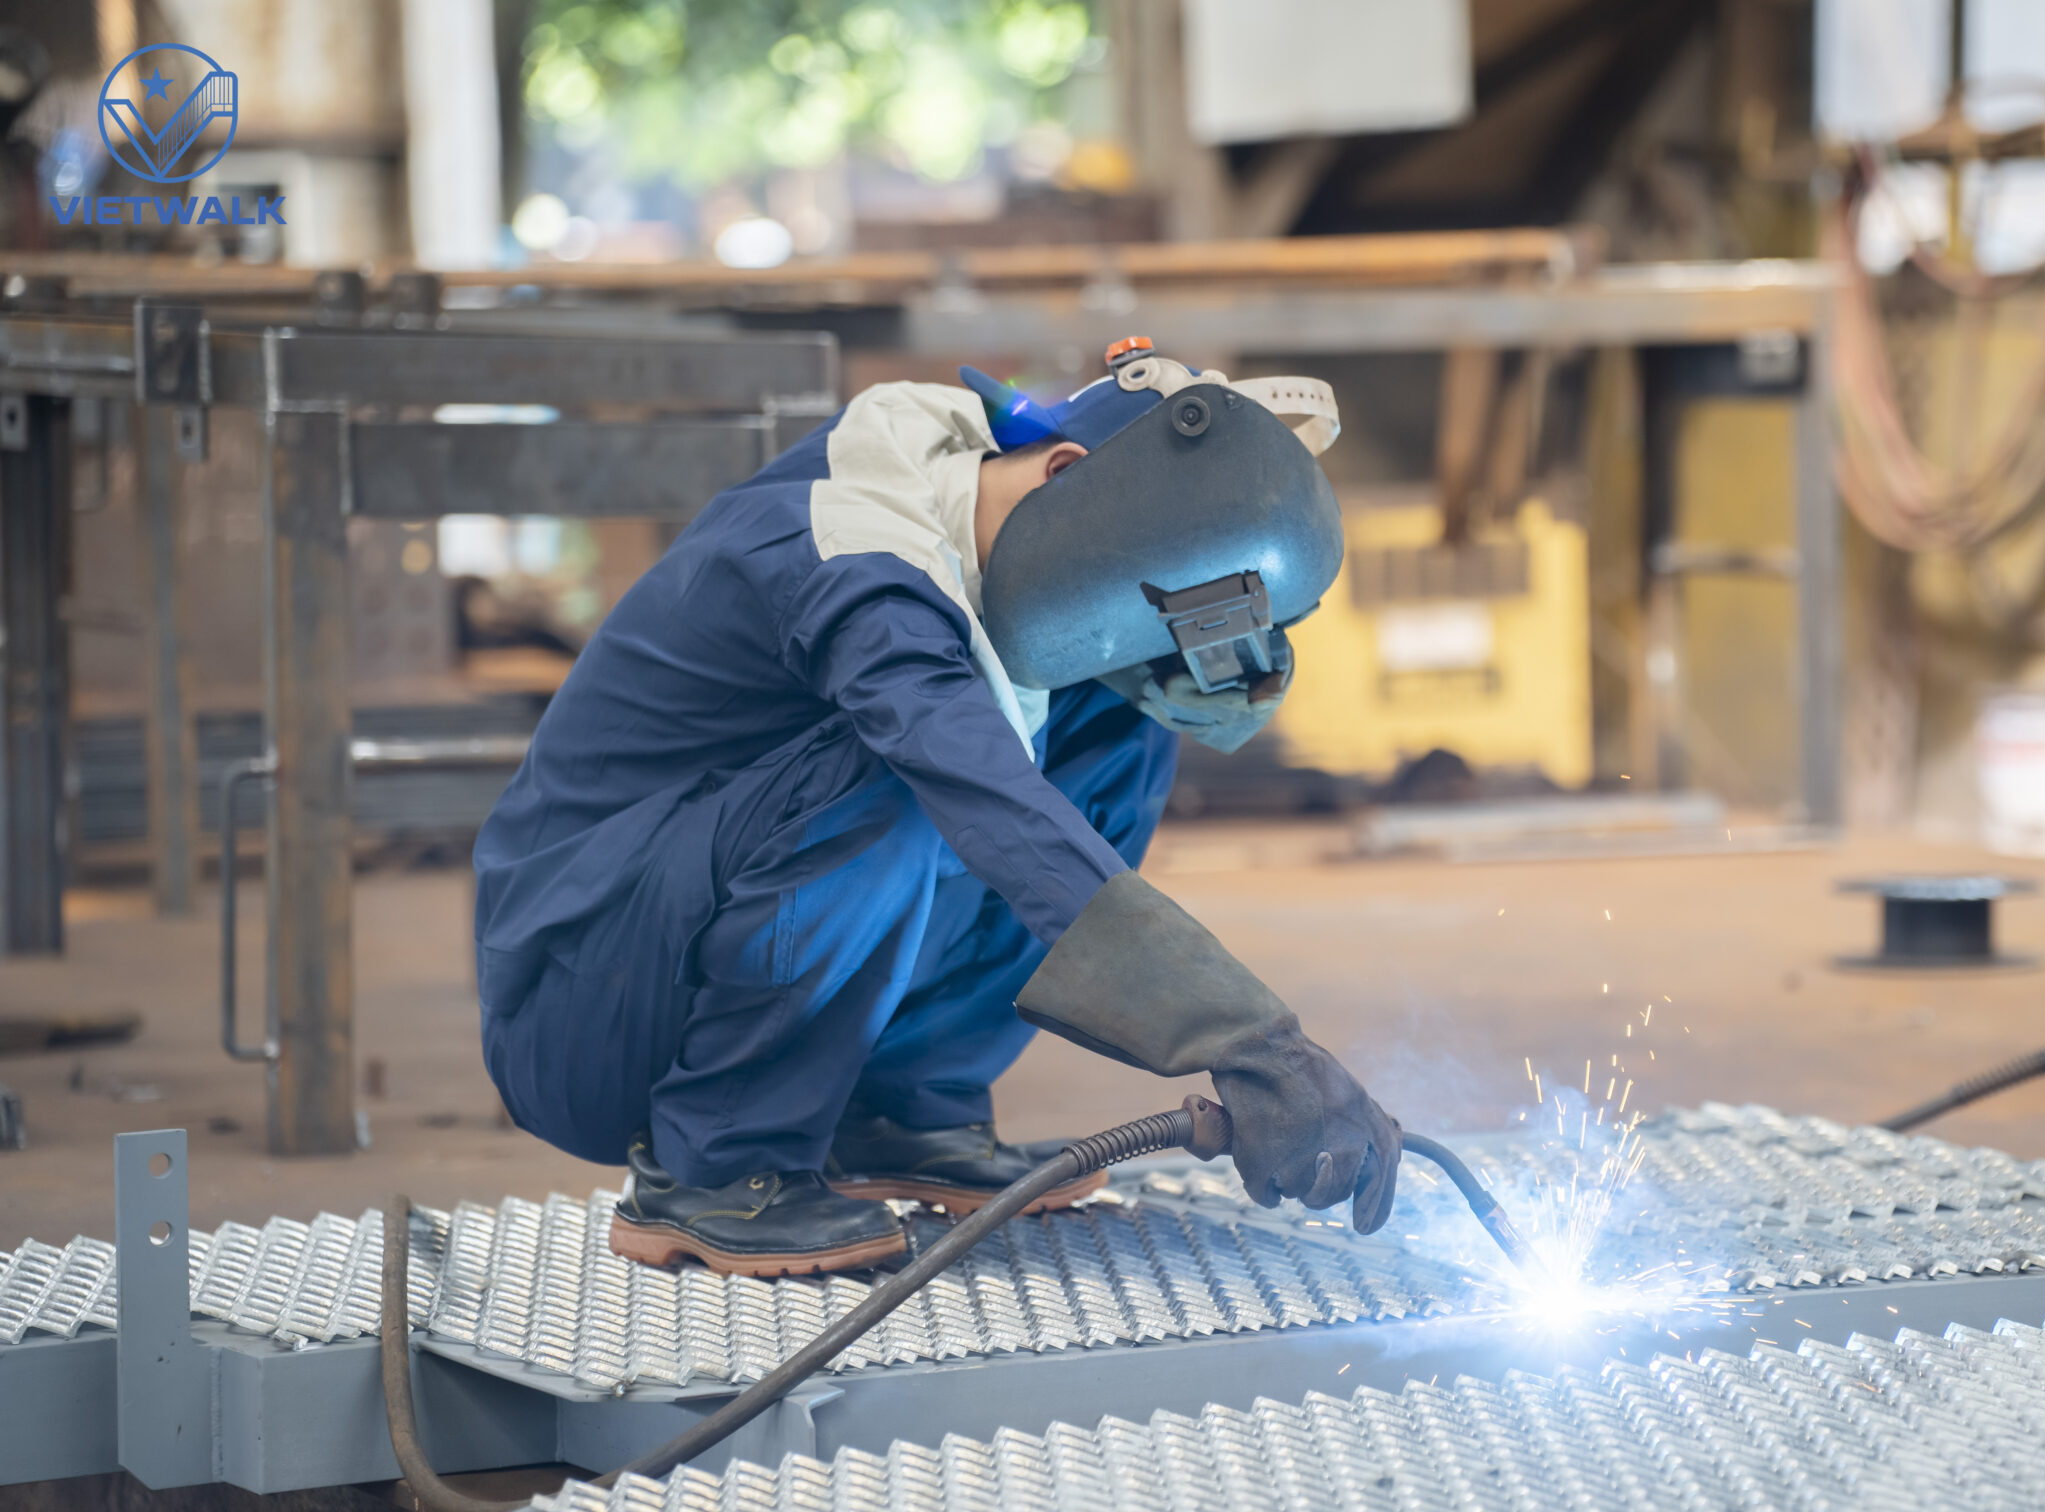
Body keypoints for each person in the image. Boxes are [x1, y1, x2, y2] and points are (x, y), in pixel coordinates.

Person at [472, 338, 1402, 1277]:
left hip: (684, 926)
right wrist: (1252, 1043)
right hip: (590, 990)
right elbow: (981, 793)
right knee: (914, 767)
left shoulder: (975, 525)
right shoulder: (857, 548)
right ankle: (717, 1166)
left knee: (1119, 724)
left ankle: (898, 1106)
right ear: (1067, 475)